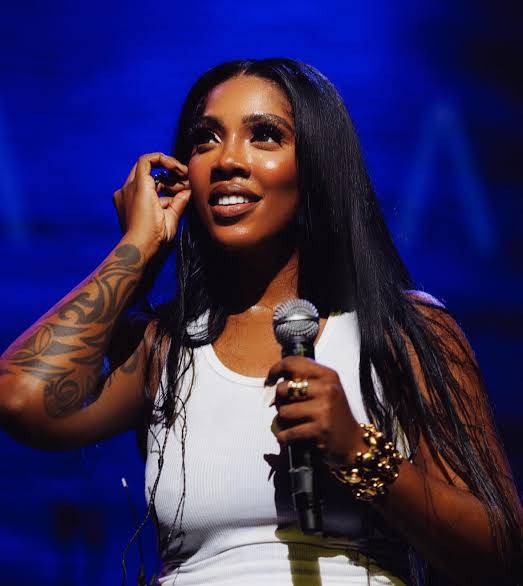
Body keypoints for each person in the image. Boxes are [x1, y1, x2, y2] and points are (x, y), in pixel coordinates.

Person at [0, 58, 521, 586]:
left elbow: (501, 552)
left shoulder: (404, 333)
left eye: (265, 136)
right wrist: (138, 247)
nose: (227, 160)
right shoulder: (167, 348)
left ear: (317, 166)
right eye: (206, 139)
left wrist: (358, 452)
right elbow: (20, 397)